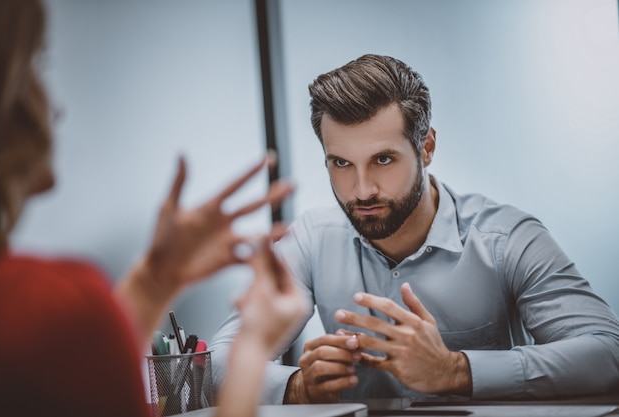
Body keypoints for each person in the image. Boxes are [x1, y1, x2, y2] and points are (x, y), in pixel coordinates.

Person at [209, 53, 619, 404]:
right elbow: (217, 360)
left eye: (383, 160)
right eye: (341, 163)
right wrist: (297, 387)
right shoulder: (312, 238)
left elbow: (608, 352)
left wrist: (457, 370)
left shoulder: (507, 238)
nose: (362, 189)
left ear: (426, 148)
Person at [0, 1, 307, 416]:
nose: (55, 107)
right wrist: (252, 350)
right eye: (36, 64)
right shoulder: (46, 309)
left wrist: (155, 280)